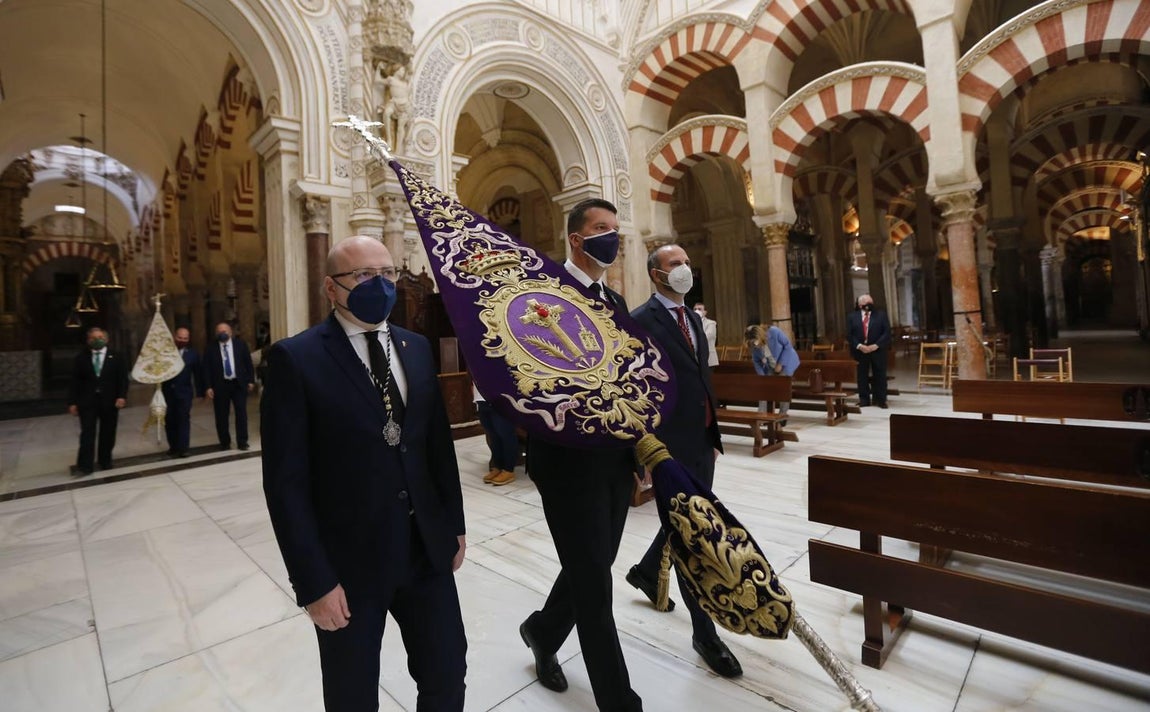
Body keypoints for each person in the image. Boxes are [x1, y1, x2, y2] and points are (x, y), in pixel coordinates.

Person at [262, 236, 467, 712]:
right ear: (331, 289)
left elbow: (437, 447)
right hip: (350, 565)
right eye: (364, 276)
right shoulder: (297, 359)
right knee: (352, 693)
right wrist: (314, 582)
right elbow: (285, 484)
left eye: (388, 273)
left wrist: (453, 525)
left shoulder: (415, 348)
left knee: (446, 671)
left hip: (424, 551)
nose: (381, 285)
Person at [519, 198, 643, 711]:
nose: (610, 238)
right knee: (594, 584)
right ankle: (618, 700)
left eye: (614, 229)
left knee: (593, 563)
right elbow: (529, 375)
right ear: (575, 238)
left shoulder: (614, 303)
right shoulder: (542, 296)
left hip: (613, 458)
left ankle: (543, 631)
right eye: (599, 229)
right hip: (566, 460)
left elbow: (627, 378)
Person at [625, 244, 742, 678]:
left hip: (700, 439)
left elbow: (701, 377)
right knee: (695, 533)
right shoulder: (640, 320)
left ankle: (647, 569)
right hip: (668, 444)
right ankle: (704, 633)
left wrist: (713, 431)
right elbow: (636, 389)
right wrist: (643, 451)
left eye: (688, 262)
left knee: (689, 521)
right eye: (676, 265)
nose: (685, 270)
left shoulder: (693, 318)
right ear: (656, 274)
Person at [67, 326, 129, 475]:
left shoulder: (116, 356)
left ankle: (105, 460)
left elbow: (122, 379)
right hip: (87, 402)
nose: (97, 340)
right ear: (88, 340)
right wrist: (72, 402)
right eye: (93, 338)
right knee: (87, 433)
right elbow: (74, 382)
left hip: (110, 401)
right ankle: (85, 466)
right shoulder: (81, 358)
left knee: (108, 432)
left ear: (106, 339)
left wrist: (122, 396)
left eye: (100, 337)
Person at [203, 322, 255, 450]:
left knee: (241, 413)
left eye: (225, 331)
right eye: (220, 332)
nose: (222, 334)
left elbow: (248, 363)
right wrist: (208, 386)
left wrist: (250, 380)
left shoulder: (240, 345)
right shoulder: (210, 348)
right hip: (220, 385)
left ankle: (242, 441)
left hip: (238, 384)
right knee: (221, 415)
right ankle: (225, 442)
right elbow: (206, 369)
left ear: (230, 332)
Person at [161, 327, 204, 457]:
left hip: (184, 392)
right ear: (175, 337)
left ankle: (184, 448)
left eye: (185, 338)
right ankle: (173, 446)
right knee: (170, 420)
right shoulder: (165, 352)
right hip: (168, 392)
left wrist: (200, 392)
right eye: (180, 338)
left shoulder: (193, 354)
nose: (182, 340)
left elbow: (198, 374)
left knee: (183, 419)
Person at [847, 294, 891, 408]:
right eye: (868, 303)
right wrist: (859, 346)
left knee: (880, 375)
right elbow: (850, 335)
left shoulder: (881, 315)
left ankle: (881, 399)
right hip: (860, 351)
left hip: (877, 350)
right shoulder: (852, 317)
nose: (870, 305)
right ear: (861, 305)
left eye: (871, 303)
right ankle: (864, 399)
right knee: (862, 375)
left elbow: (886, 333)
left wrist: (876, 345)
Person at [473, 384, 518, 486]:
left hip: (500, 397)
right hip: (481, 397)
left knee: (505, 433)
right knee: (492, 433)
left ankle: (508, 469)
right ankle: (497, 467)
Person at [757, 321, 801, 420]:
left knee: (783, 387)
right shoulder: (756, 342)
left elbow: (788, 346)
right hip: (771, 365)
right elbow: (757, 360)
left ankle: (782, 415)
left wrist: (780, 364)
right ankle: (761, 415)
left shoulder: (775, 332)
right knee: (763, 386)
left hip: (786, 361)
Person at [693, 302, 719, 367]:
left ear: (705, 312)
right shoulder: (691, 324)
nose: (696, 311)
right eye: (695, 309)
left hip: (709, 359)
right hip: (696, 359)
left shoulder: (711, 323)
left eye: (699, 309)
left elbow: (706, 337)